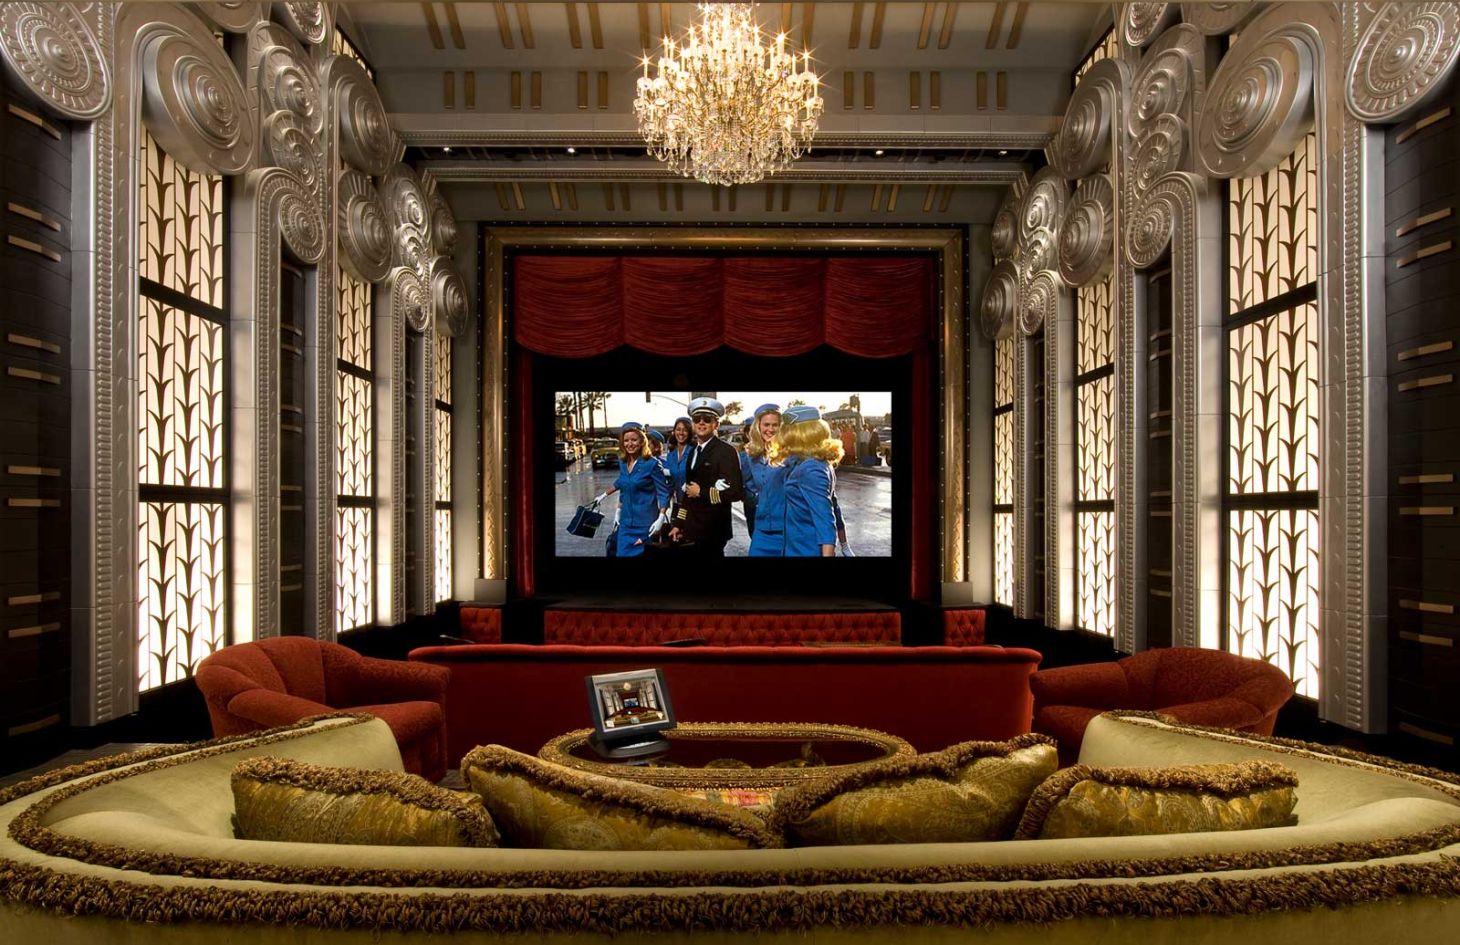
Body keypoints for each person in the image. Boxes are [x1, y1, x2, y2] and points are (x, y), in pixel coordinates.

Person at [668, 397, 743, 557]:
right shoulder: (693, 451)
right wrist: (679, 524)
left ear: (716, 424)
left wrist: (702, 492)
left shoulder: (726, 451)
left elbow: (735, 492)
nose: (701, 423)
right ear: (693, 424)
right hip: (692, 528)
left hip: (714, 529)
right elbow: (688, 495)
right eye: (697, 419)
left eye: (707, 419)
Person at [592, 422, 669, 557]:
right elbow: (622, 484)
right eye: (626, 440)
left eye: (634, 440)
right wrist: (607, 499)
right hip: (626, 524)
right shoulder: (623, 463)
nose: (630, 444)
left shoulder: (652, 464)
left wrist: (661, 517)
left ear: (641, 442)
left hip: (645, 524)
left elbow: (664, 493)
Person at [779, 405, 843, 557]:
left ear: (798, 434)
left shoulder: (810, 469)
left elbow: (825, 521)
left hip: (805, 550)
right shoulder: (814, 462)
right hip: (795, 548)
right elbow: (834, 506)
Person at [738, 403, 780, 537]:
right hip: (758, 514)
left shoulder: (789, 454)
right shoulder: (749, 455)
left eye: (775, 425)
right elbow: (741, 481)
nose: (770, 429)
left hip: (785, 522)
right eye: (766, 425)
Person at [663, 416, 693, 497]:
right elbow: (670, 483)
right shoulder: (670, 456)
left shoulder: (694, 452)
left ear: (690, 433)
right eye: (678, 429)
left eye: (685, 430)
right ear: (674, 432)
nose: (681, 433)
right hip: (677, 502)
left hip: (692, 503)